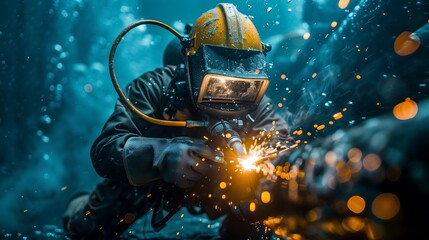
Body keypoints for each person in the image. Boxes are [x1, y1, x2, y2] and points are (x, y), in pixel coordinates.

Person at [63, 3, 294, 239]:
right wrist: (161, 156)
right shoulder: (155, 87)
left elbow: (281, 148)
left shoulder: (258, 104)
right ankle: (76, 206)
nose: (231, 97)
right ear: (193, 66)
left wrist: (266, 175)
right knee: (89, 229)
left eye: (243, 86)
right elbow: (104, 151)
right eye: (218, 83)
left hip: (221, 187)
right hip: (150, 183)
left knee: (265, 212)